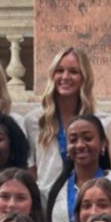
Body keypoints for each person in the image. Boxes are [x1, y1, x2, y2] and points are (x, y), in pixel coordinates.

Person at [45, 114, 111, 222]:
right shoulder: (57, 193)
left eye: (88, 138)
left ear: (103, 144)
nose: (80, 145)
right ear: (66, 148)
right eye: (73, 140)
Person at [26, 46, 96, 194]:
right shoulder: (34, 121)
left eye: (73, 71)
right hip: (46, 204)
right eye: (60, 70)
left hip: (86, 201)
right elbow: (31, 171)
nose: (65, 77)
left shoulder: (98, 121)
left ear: (84, 77)